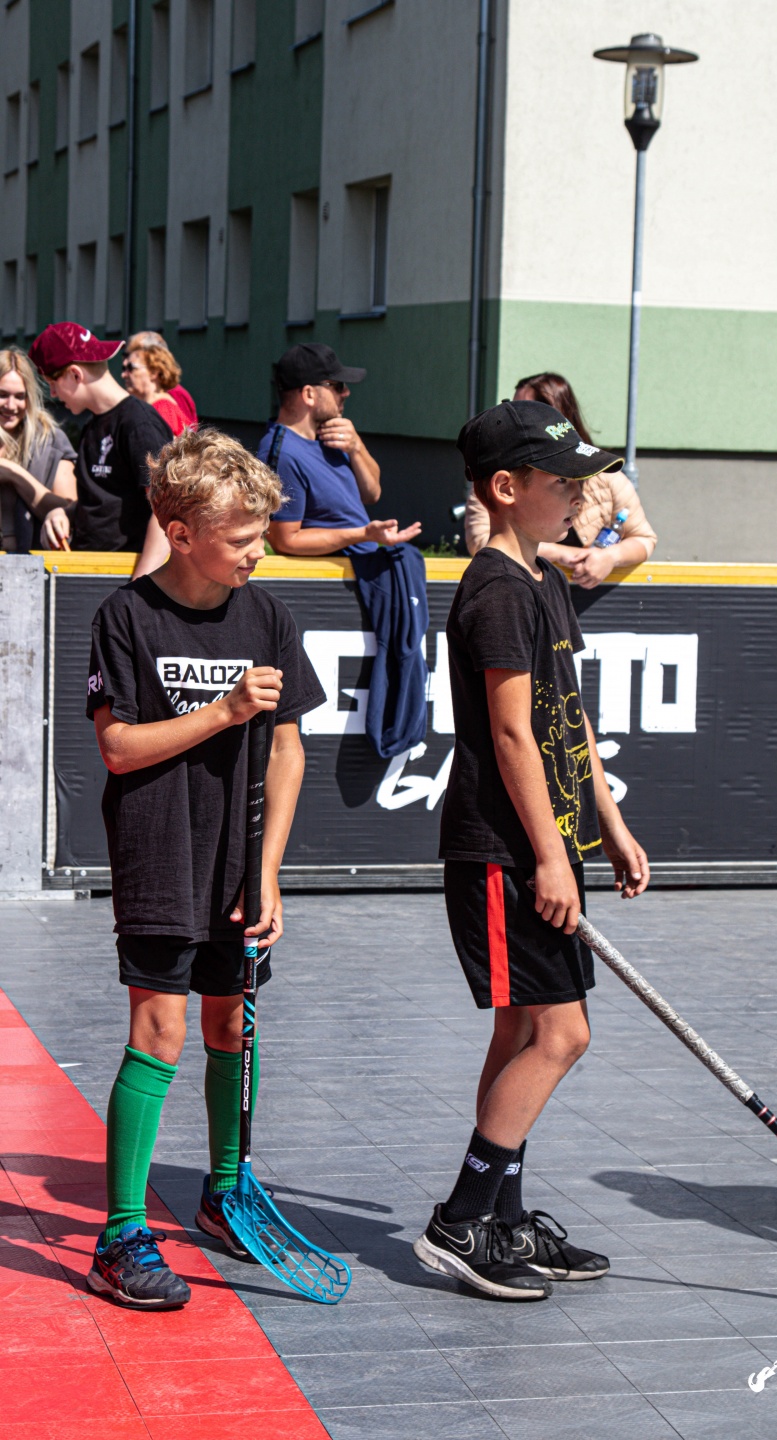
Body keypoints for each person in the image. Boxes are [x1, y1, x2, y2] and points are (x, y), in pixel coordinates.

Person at [84, 429, 326, 1308]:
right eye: (241, 537)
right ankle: (120, 1236)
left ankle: (227, 1193)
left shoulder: (267, 615)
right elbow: (117, 748)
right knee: (161, 1032)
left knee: (233, 1026)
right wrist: (223, 711)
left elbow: (289, 750)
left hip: (238, 862)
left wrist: (269, 870)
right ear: (181, 533)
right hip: (159, 852)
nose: (258, 551)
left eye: (262, 534)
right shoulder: (125, 617)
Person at [413, 399, 649, 1301]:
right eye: (566, 481)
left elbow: (567, 714)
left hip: (547, 840)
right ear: (507, 489)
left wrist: (608, 823)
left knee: (521, 1032)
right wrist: (548, 858)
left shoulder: (542, 577)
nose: (583, 494)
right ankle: (461, 1221)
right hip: (503, 851)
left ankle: (504, 1221)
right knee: (562, 1033)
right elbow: (511, 734)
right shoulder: (497, 592)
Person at [465, 372, 657, 588]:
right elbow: (483, 540)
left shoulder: (608, 479)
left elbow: (644, 538)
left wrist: (610, 557)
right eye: (561, 481)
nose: (579, 499)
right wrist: (562, 553)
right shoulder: (497, 477)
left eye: (530, 408)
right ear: (505, 488)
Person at [28, 323, 173, 578]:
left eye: (52, 383)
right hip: (94, 572)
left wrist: (138, 588)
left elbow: (167, 512)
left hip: (124, 576)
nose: (53, 394)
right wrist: (64, 513)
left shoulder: (138, 424)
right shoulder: (93, 424)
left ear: (75, 374)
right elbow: (106, 502)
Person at [261, 342, 421, 556]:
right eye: (337, 385)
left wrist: (357, 448)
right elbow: (285, 541)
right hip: (335, 576)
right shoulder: (283, 454)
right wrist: (363, 534)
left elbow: (373, 494)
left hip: (362, 567)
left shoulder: (331, 436)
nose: (346, 392)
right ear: (309, 394)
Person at [0, 347, 77, 552]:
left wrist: (14, 474)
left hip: (32, 564)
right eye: (2, 395)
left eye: (20, 396)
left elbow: (70, 510)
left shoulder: (50, 440)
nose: (11, 405)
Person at [126, 332, 199, 428]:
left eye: (130, 367)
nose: (124, 374)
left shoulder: (166, 406)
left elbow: (190, 432)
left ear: (154, 371)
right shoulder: (153, 404)